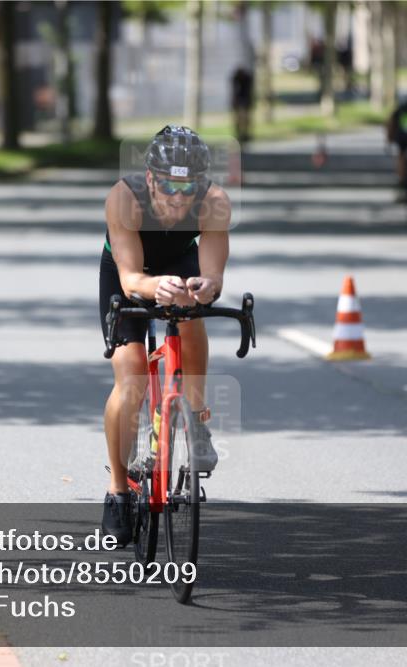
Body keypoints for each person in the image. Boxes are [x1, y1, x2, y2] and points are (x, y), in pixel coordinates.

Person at [99, 125, 231, 546]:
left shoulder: (213, 203)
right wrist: (154, 287)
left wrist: (206, 287)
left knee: (192, 314)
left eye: (188, 186)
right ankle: (118, 491)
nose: (178, 197)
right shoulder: (125, 199)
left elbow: (213, 276)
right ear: (151, 178)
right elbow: (131, 277)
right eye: (169, 185)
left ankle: (194, 415)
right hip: (129, 271)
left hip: (180, 259)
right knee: (131, 374)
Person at [230, 66, 254, 142]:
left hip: (245, 98)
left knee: (246, 117)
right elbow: (234, 91)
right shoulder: (235, 78)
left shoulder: (247, 79)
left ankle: (245, 133)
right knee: (238, 118)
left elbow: (249, 91)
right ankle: (239, 133)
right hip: (239, 99)